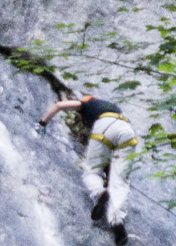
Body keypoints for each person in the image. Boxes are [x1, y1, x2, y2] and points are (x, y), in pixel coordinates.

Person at [39, 86, 139, 235]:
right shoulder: (113, 107)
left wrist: (42, 123)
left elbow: (59, 105)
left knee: (92, 172)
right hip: (128, 131)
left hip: (105, 125)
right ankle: (117, 221)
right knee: (120, 180)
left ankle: (99, 193)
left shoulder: (86, 103)